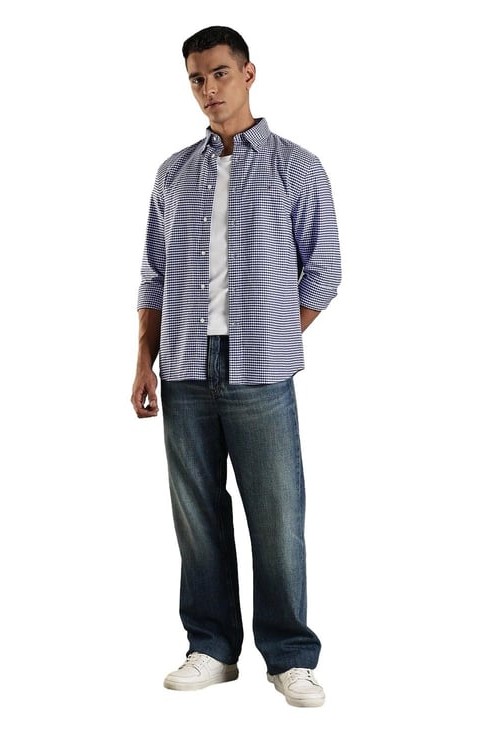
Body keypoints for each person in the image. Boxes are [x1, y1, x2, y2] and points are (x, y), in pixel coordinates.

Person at [131, 25, 341, 708]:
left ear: (248, 73)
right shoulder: (173, 173)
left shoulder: (295, 166)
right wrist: (144, 362)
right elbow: (154, 274)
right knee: (197, 517)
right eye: (196, 79)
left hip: (261, 370)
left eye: (219, 74)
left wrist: (275, 336)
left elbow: (324, 269)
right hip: (183, 366)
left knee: (277, 517)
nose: (208, 90)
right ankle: (212, 648)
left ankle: (291, 658)